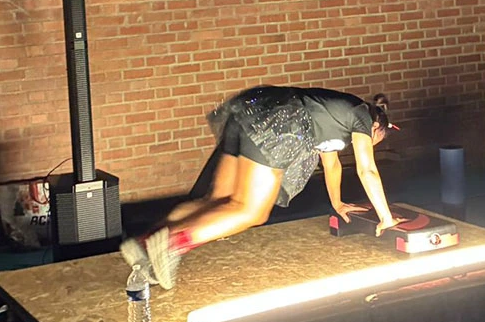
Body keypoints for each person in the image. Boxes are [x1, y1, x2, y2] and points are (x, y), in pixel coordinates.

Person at [120, 85, 405, 289]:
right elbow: (367, 169)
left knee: (219, 201)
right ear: (375, 127)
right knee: (251, 212)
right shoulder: (361, 114)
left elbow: (332, 165)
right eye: (374, 140)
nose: (367, 144)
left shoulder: (336, 120)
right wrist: (386, 218)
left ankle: (147, 243)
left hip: (251, 114)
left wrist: (338, 203)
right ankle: (172, 244)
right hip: (280, 124)